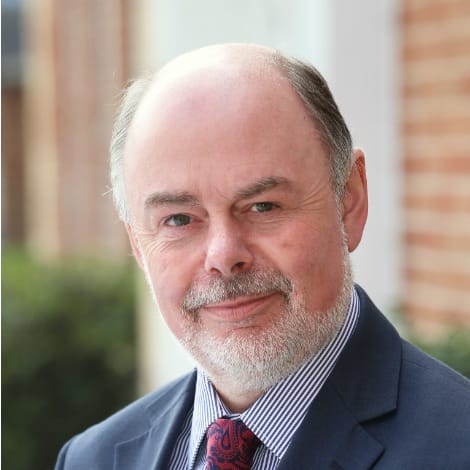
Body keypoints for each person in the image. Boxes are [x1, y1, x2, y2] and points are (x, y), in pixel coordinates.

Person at [55, 43, 470, 469]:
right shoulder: (92, 459)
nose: (223, 255)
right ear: (138, 244)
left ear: (349, 200)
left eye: (262, 206)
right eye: (179, 219)